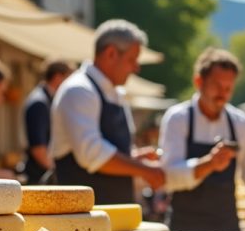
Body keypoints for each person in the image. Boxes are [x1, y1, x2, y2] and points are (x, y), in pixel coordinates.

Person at [49, 19, 164, 203]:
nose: (136, 67)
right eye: (132, 59)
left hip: (112, 210)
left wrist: (136, 157)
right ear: (111, 53)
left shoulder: (116, 93)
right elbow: (93, 155)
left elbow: (108, 152)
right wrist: (145, 170)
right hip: (81, 217)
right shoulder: (79, 90)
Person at [159, 48, 245, 231]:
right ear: (199, 82)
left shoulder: (241, 123)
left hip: (226, 228)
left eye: (228, 88)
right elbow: (168, 178)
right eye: (217, 86)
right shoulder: (177, 118)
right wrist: (209, 164)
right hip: (184, 229)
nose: (222, 94)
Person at [21, 60, 73, 184]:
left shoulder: (46, 99)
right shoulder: (40, 102)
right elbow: (39, 149)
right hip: (39, 177)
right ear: (57, 77)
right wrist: (59, 171)